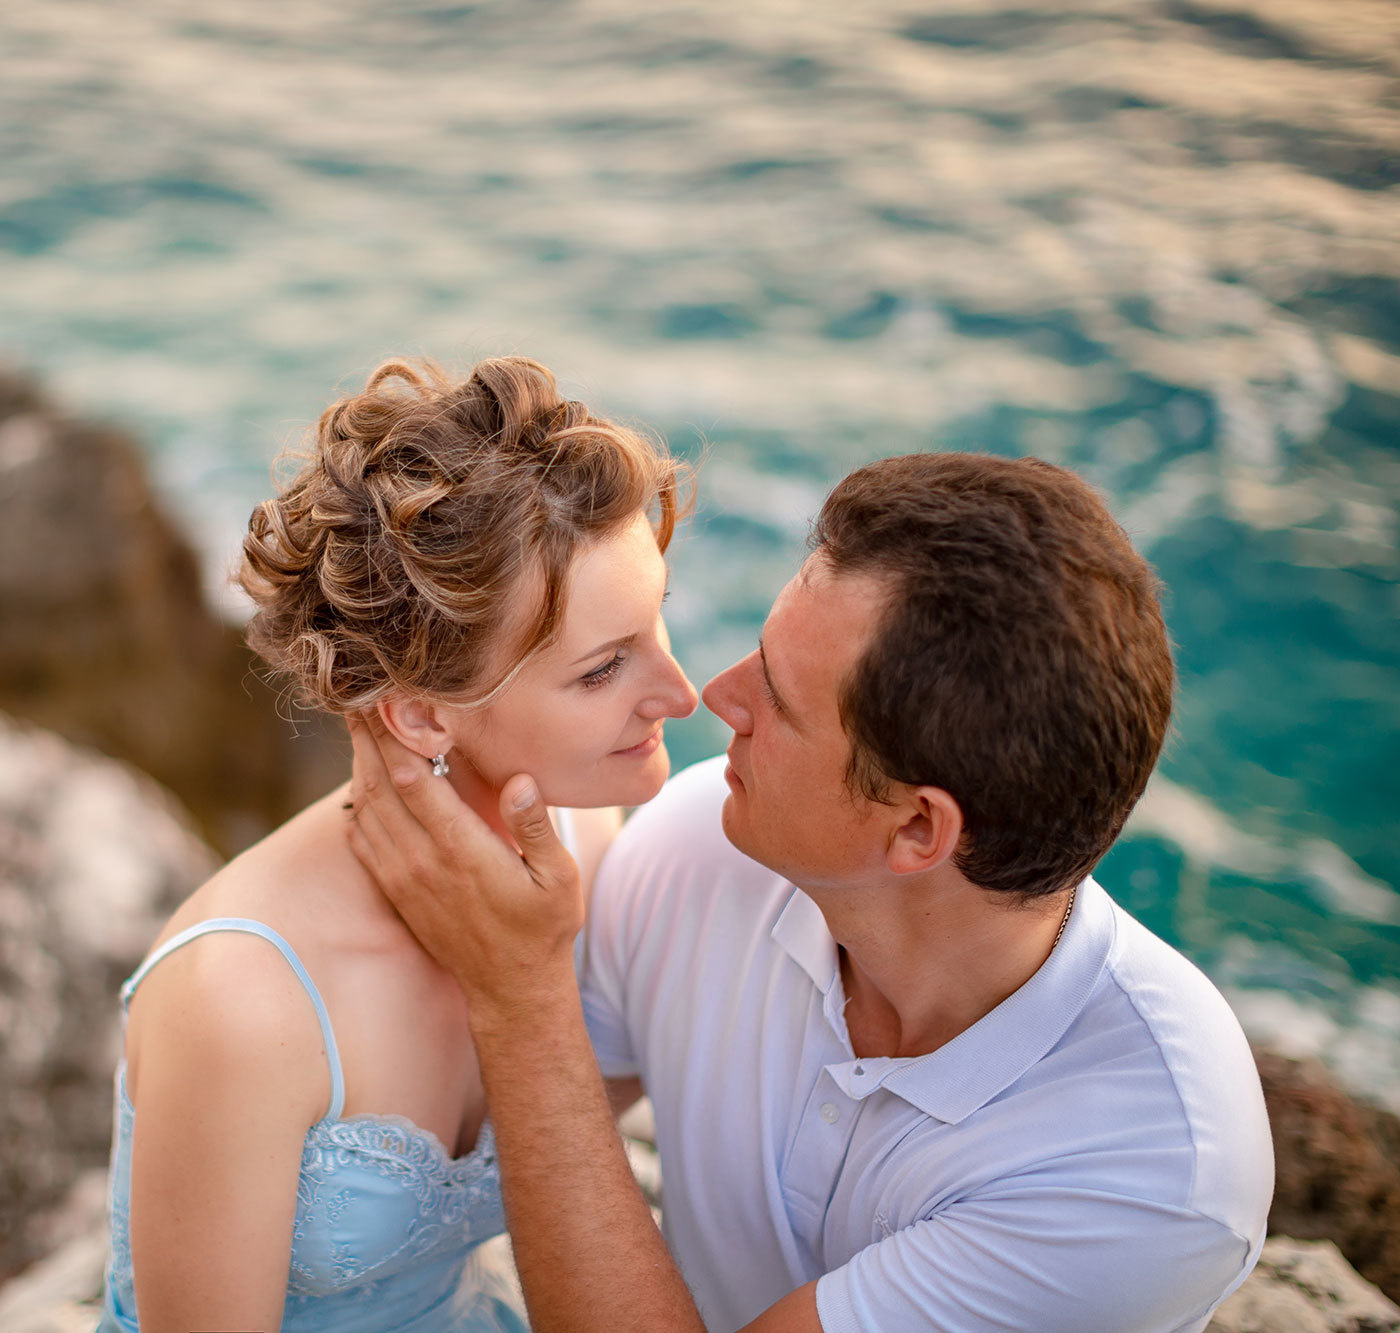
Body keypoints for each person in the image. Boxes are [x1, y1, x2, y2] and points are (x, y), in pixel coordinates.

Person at [344, 451, 1275, 1333]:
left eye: (778, 701)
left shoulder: (1148, 1175)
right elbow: (500, 1134)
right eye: (759, 648)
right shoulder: (698, 846)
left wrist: (522, 993)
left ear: (917, 828)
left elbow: (539, 1067)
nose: (714, 694)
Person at [94, 356, 700, 1332]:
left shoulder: (580, 834)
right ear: (420, 717)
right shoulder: (239, 998)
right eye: (601, 669)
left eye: (655, 617)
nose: (682, 695)